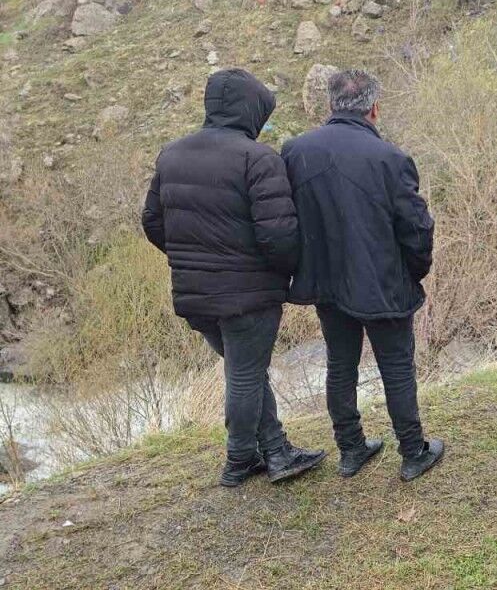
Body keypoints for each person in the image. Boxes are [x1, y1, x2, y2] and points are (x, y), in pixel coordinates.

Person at [141, 69, 326, 487]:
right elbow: (279, 235)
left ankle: (277, 451)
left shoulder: (172, 155)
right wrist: (284, 273)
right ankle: (239, 459)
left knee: (248, 371)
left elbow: (152, 221)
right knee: (245, 375)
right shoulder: (257, 158)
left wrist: (191, 258)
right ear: (251, 110)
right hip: (248, 296)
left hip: (194, 295)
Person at [281, 70, 445, 483]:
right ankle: (413, 452)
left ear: (330, 104)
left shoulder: (295, 151)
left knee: (340, 364)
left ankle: (351, 449)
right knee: (396, 367)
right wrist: (415, 271)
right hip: (383, 281)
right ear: (374, 108)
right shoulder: (390, 158)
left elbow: (287, 220)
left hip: (327, 283)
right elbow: (417, 227)